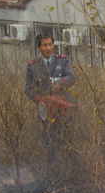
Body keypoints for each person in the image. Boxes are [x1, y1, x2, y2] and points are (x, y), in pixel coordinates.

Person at [25, 33, 76, 164]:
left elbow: (71, 77)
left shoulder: (62, 60)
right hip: (46, 112)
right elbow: (28, 89)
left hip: (64, 109)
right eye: (45, 45)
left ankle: (70, 166)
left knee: (69, 141)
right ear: (38, 47)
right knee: (50, 143)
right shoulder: (33, 66)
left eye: (50, 44)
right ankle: (53, 169)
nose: (48, 48)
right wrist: (40, 101)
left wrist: (60, 84)